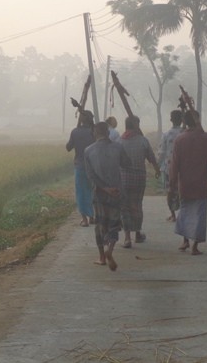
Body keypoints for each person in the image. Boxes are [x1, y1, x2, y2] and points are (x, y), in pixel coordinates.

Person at [169, 110, 207, 255]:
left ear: (185, 122)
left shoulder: (180, 139)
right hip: (200, 183)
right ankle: (195, 246)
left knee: (185, 211)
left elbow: (174, 164)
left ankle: (185, 241)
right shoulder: (205, 137)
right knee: (199, 215)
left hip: (184, 183)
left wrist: (172, 184)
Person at [84, 121, 130, 271]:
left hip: (99, 194)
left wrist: (104, 188)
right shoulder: (118, 147)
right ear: (108, 133)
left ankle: (102, 257)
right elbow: (126, 164)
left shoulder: (88, 151)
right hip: (116, 192)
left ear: (94, 133)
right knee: (114, 224)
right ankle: (110, 250)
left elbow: (90, 176)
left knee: (100, 224)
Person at [119, 115, 160, 248]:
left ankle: (126, 238)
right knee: (136, 205)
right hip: (138, 179)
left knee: (124, 207)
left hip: (123, 179)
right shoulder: (143, 141)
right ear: (136, 126)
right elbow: (151, 158)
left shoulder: (119, 142)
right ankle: (137, 233)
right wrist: (157, 170)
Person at [66, 110, 95, 227]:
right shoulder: (94, 132)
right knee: (92, 191)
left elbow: (68, 147)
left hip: (80, 166)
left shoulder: (75, 132)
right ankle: (92, 216)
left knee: (81, 192)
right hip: (94, 166)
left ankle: (85, 219)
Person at [157, 110, 184, 222]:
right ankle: (183, 214)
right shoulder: (186, 133)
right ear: (182, 120)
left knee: (170, 190)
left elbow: (162, 153)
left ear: (171, 119)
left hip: (170, 168)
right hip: (184, 168)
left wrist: (157, 167)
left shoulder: (166, 135)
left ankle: (173, 215)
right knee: (183, 190)